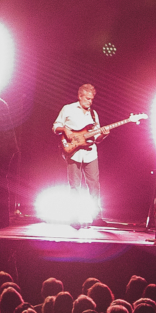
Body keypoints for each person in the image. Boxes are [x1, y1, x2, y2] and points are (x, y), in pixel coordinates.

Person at [52, 84, 102, 220]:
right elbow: (55, 126)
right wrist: (65, 130)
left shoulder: (93, 113)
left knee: (94, 185)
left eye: (92, 99)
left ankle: (96, 217)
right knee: (75, 185)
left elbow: (97, 138)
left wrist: (103, 134)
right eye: (87, 98)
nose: (90, 102)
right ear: (80, 96)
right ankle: (74, 217)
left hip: (90, 153)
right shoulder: (68, 109)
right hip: (73, 152)